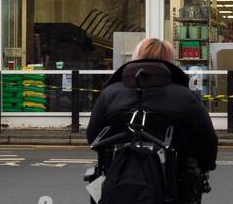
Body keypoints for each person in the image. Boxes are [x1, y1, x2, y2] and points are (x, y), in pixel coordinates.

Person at [86, 36, 217, 175]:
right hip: (172, 182)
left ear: (136, 56)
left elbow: (93, 135)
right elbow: (206, 138)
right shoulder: (185, 96)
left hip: (118, 178)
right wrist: (204, 166)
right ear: (170, 61)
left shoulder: (110, 93)